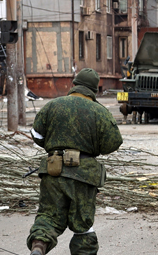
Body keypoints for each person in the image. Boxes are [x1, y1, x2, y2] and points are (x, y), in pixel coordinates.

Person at [27, 68, 122, 255]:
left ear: (74, 84)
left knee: (48, 216)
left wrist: (54, 147)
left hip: (53, 169)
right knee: (82, 224)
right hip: (83, 174)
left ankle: (39, 245)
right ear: (94, 90)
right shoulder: (100, 112)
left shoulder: (53, 105)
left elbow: (36, 135)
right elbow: (113, 143)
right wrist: (93, 148)